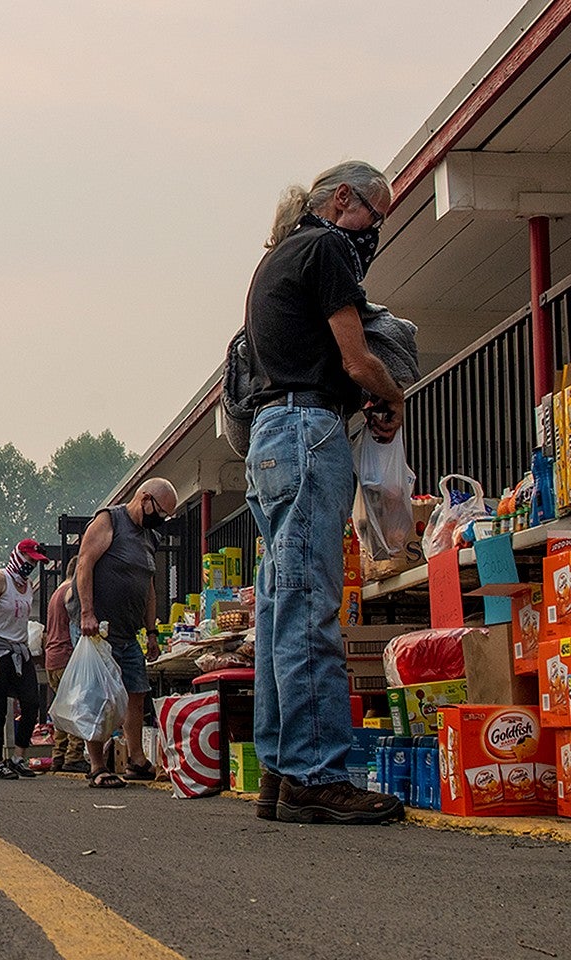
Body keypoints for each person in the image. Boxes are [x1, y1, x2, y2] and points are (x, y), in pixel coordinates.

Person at [243, 161, 405, 825]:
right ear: (344, 200)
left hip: (270, 437)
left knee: (280, 608)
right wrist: (391, 395)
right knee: (310, 605)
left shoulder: (278, 258)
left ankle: (280, 771)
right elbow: (356, 358)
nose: (376, 231)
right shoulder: (328, 246)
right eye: (377, 214)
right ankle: (318, 773)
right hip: (310, 432)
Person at [76, 479, 172, 788]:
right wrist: (87, 612)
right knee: (98, 697)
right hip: (101, 631)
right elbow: (84, 563)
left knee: (136, 692)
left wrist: (153, 631)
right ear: (144, 499)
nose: (162, 520)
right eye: (160, 512)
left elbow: (150, 588)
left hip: (130, 634)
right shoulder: (109, 520)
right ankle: (97, 765)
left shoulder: (150, 537)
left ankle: (136, 759)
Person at [0, 538, 49, 780]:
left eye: (35, 562)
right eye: (29, 560)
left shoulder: (28, 584)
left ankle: (19, 756)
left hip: (20, 649)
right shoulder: (0, 579)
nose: (31, 565)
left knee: (31, 703)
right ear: (19, 556)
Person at [43, 556, 90, 774]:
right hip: (67, 656)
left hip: (52, 658)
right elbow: (76, 627)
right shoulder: (72, 591)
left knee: (62, 710)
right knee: (78, 707)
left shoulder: (56, 593)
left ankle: (58, 756)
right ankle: (74, 756)